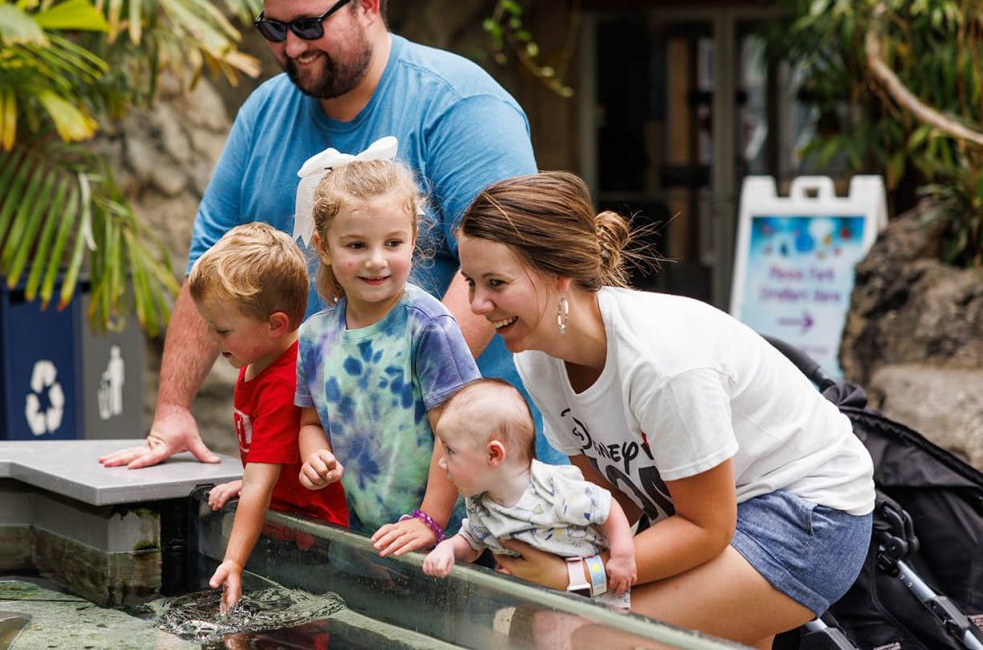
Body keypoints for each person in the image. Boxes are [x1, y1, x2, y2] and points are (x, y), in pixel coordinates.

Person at [98, 0, 565, 473]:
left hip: (475, 456)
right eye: (274, 30)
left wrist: (377, 400)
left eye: (309, 24)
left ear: (367, 4)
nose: (292, 47)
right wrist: (173, 409)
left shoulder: (460, 106)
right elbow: (209, 269)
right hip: (331, 456)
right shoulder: (263, 113)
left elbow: (499, 265)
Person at [454, 171, 875, 648]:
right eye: (470, 282)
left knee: (567, 633)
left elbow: (706, 526)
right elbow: (613, 500)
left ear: (559, 273)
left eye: (495, 282)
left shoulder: (662, 364)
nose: (478, 304)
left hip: (808, 515)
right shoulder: (535, 356)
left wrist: (573, 576)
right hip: (708, 512)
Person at [293, 157, 478, 556]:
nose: (376, 260)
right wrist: (315, 455)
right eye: (356, 245)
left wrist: (430, 519)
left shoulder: (428, 326)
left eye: (392, 243)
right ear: (324, 247)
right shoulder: (314, 337)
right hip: (361, 540)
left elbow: (458, 434)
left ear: (413, 239)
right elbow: (310, 421)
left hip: (444, 543)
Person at [188, 223, 349, 607]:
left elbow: (263, 481)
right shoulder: (256, 358)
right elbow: (269, 462)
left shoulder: (282, 381)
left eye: (222, 329)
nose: (212, 338)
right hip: (288, 524)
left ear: (275, 324)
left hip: (313, 543)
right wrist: (249, 480)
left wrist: (233, 561)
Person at [422, 378, 635, 610]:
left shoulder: (554, 489)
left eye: (451, 451)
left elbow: (607, 507)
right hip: (543, 602)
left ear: (493, 454)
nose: (441, 464)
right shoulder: (479, 501)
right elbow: (473, 541)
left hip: (597, 596)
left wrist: (622, 555)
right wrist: (448, 549)